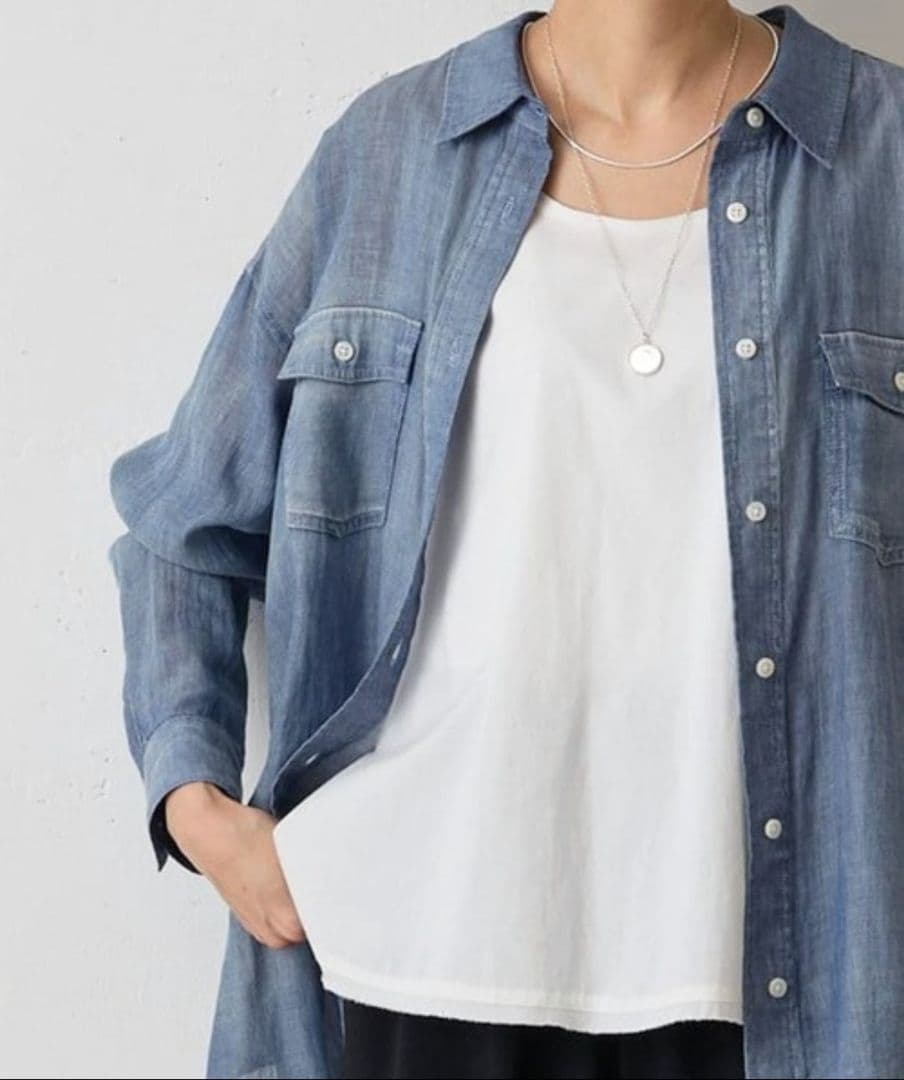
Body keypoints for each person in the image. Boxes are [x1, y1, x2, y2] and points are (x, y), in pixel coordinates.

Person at [105, 3, 904, 1079]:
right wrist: (196, 806)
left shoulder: (882, 157)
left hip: (791, 980)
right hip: (405, 951)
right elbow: (182, 525)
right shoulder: (389, 153)